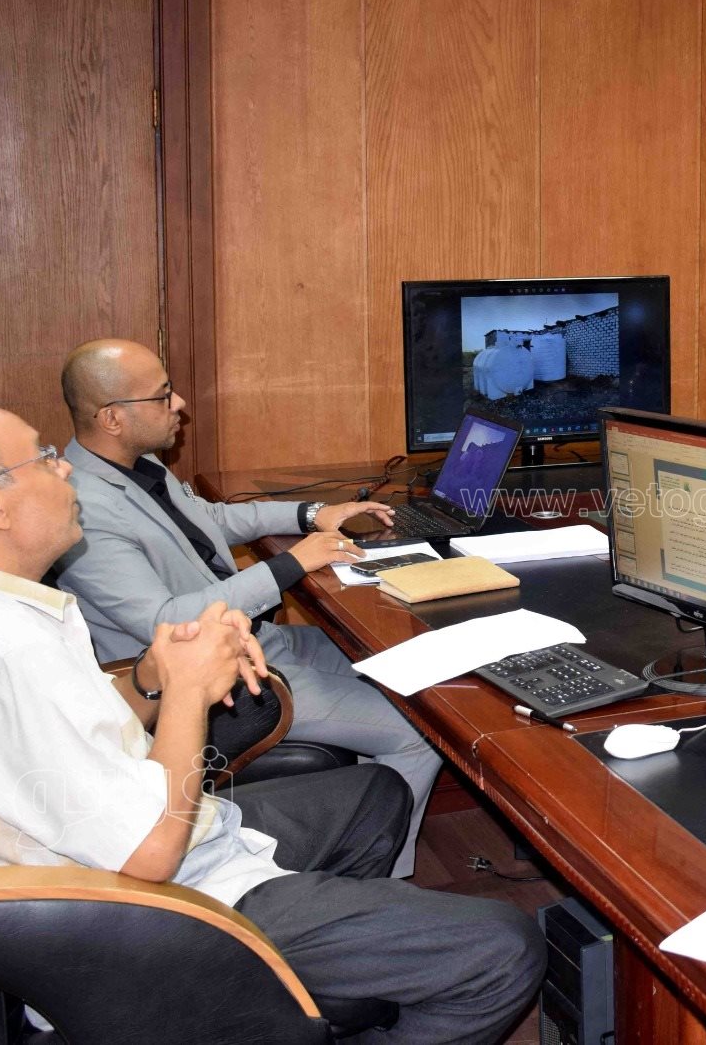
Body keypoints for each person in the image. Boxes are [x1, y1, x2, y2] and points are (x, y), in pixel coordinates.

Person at [0, 407, 544, 1044]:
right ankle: (288, 967)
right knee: (502, 949)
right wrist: (190, 693)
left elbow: (75, 735)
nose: (65, 468)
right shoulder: (2, 650)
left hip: (142, 851)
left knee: (378, 795)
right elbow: (149, 854)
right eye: (43, 459)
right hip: (155, 912)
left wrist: (153, 677)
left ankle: (322, 987)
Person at [53, 338, 440, 876]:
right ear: (112, 417)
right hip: (217, 680)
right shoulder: (83, 508)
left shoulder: (137, 465)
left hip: (258, 642)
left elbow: (210, 520)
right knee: (421, 733)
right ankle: (380, 883)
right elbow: (166, 622)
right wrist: (291, 564)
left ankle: (352, 818)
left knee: (394, 658)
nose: (179, 404)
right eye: (162, 396)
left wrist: (311, 514)